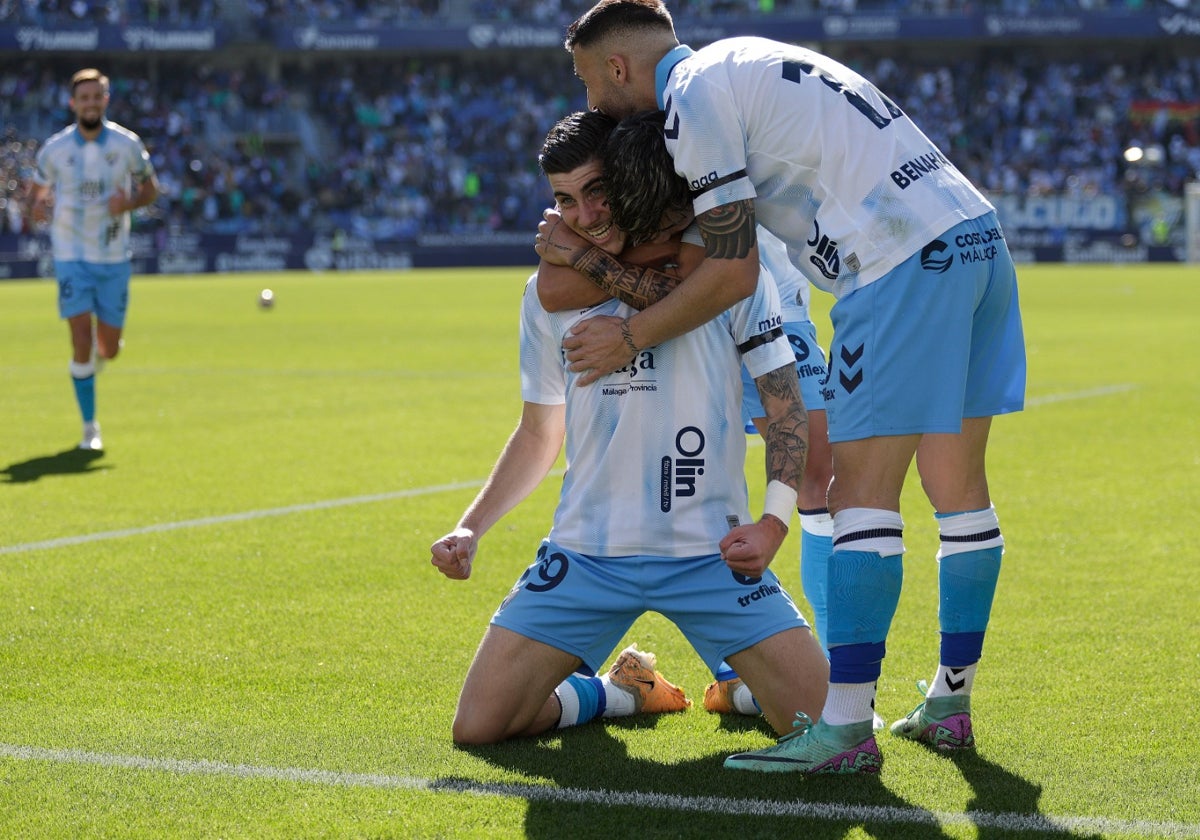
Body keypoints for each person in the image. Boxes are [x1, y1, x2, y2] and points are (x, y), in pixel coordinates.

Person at [536, 0, 1026, 775]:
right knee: (960, 491)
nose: (591, 101)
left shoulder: (689, 101)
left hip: (896, 262)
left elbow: (732, 271)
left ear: (617, 67)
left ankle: (844, 732)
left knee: (860, 496)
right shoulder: (742, 60)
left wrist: (628, 332)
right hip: (974, 236)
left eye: (589, 81)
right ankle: (949, 703)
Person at [430, 109, 829, 745]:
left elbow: (784, 409)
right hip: (587, 554)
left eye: (596, 192)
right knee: (479, 727)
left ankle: (740, 684)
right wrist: (469, 526)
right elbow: (539, 433)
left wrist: (774, 521)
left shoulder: (725, 278)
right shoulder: (544, 294)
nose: (584, 216)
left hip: (709, 552)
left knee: (822, 723)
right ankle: (619, 691)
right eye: (565, 201)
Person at [536, 109, 837, 720]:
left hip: (765, 289)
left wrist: (590, 262)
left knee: (819, 470)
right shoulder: (622, 153)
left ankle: (813, 663)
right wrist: (583, 252)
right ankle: (731, 672)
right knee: (679, 469)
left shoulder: (706, 119)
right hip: (707, 311)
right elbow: (552, 289)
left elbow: (712, 277)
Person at [30, 68, 160, 452]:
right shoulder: (55, 149)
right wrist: (38, 206)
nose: (90, 103)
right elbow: (36, 192)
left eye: (96, 96)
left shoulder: (127, 144)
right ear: (73, 104)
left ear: (106, 100)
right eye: (83, 98)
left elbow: (151, 188)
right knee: (81, 341)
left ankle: (98, 362)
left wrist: (131, 202)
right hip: (71, 253)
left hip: (113, 257)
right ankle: (90, 428)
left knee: (110, 348)